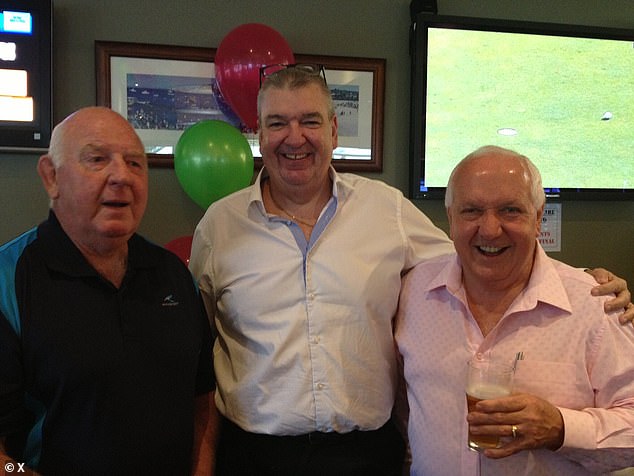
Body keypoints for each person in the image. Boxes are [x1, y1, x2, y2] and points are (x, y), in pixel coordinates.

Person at [188, 66, 632, 475]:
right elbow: (198, 340)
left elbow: (477, 251)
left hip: (363, 455)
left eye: (310, 121)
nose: (294, 137)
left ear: (334, 129)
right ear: (258, 134)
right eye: (277, 123)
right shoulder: (220, 227)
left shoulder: (387, 211)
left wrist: (584, 281)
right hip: (254, 456)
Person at [0, 107, 216, 475]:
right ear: (50, 177)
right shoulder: (9, 281)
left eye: (135, 163)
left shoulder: (174, 275)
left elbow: (202, 401)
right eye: (97, 159)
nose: (121, 176)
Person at [395, 145, 634, 475]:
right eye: (472, 211)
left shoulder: (594, 304)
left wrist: (561, 428)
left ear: (538, 218)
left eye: (510, 211)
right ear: (450, 219)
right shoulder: (413, 291)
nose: (490, 229)